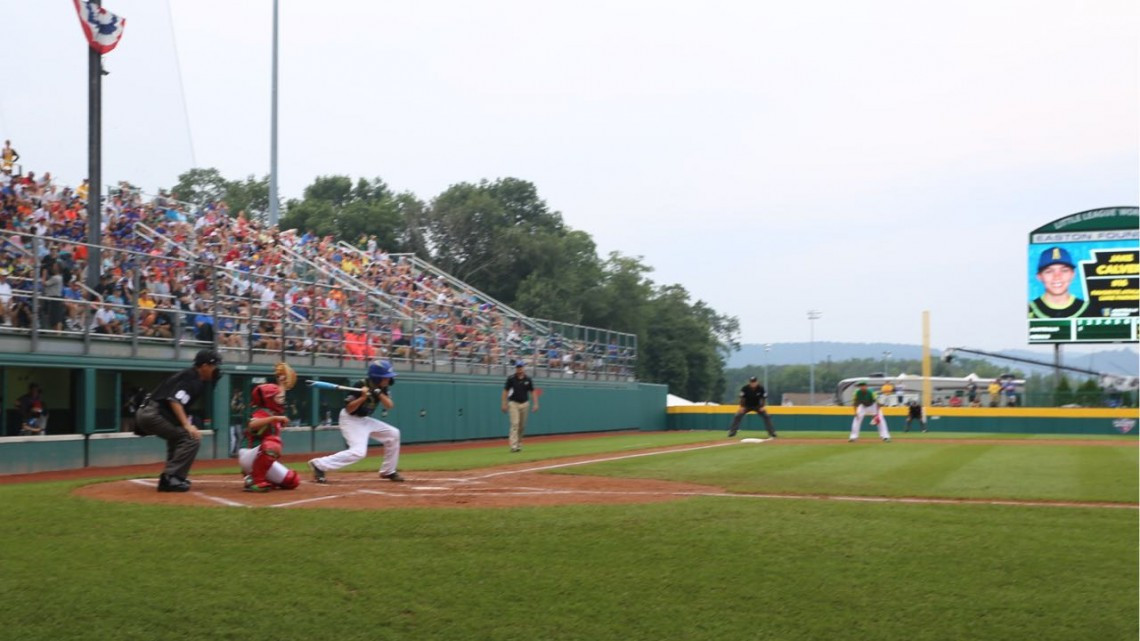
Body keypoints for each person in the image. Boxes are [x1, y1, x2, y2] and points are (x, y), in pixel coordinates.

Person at [133, 349, 223, 492]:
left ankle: (172, 477)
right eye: (214, 366)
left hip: (150, 411)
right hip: (153, 413)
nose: (216, 369)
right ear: (204, 366)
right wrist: (187, 425)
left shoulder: (191, 375)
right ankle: (171, 477)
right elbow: (174, 400)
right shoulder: (193, 378)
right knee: (191, 438)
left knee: (178, 437)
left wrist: (186, 424)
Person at [307, 360, 404, 483]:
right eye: (385, 377)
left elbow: (389, 405)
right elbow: (349, 408)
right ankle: (319, 464)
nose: (387, 380)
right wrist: (362, 397)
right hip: (350, 420)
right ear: (377, 377)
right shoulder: (359, 385)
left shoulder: (382, 388)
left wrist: (378, 393)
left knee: (393, 434)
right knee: (359, 452)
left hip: (364, 419)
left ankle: (388, 471)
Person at [238, 363, 301, 492]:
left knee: (292, 480)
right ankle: (256, 481)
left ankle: (254, 477)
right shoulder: (262, 411)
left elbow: (279, 395)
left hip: (258, 457)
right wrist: (274, 419)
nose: (281, 399)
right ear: (269, 399)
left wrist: (281, 383)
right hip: (248, 455)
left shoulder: (273, 411)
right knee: (273, 443)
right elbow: (252, 424)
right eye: (277, 397)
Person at [1028, 247, 1087, 318]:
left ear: (1073, 274)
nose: (1057, 277)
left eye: (1064, 270)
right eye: (1049, 271)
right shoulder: (1028, 310)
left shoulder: (1090, 310)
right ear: (1039, 276)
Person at [501, 360, 539, 452]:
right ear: (516, 368)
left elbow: (532, 391)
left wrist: (536, 403)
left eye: (521, 367)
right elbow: (505, 391)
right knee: (515, 424)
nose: (519, 369)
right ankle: (513, 446)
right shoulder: (511, 378)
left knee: (522, 426)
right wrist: (504, 403)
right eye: (518, 367)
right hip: (513, 403)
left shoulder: (528, 379)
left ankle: (519, 444)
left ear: (523, 368)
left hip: (525, 404)